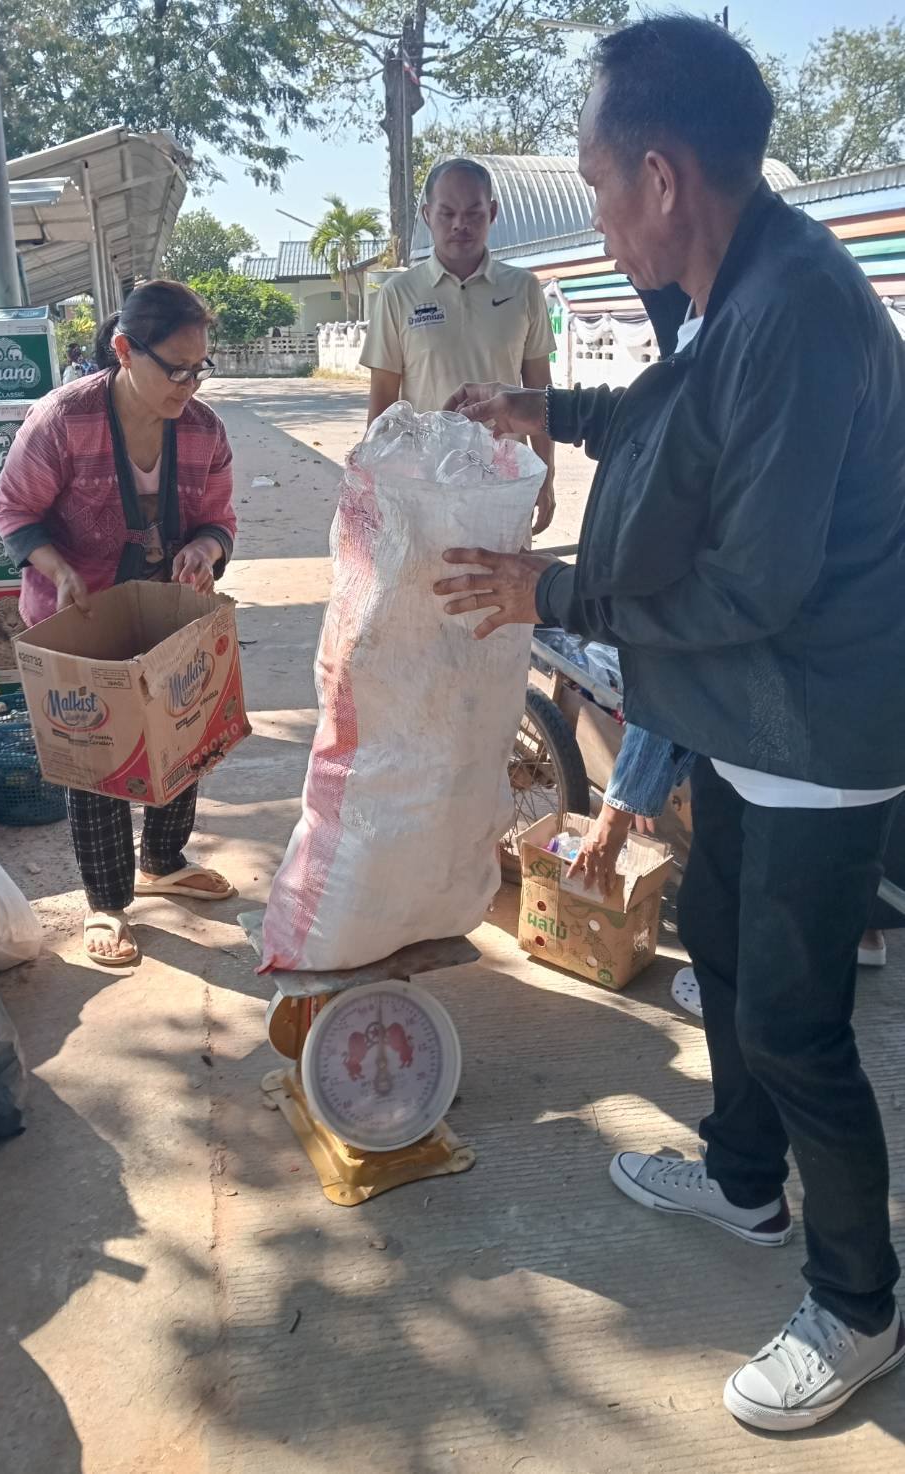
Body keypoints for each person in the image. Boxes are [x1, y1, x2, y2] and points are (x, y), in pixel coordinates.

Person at [434, 15, 905, 1432]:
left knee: (796, 1024)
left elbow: (751, 585)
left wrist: (549, 587)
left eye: (593, 183)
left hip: (815, 728)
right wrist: (544, 408)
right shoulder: (720, 280)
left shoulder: (794, 311)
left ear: (658, 176)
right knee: (723, 947)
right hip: (746, 716)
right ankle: (746, 1183)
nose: (592, 214)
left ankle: (860, 1300)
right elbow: (672, 416)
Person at [0, 280, 238, 969]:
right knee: (96, 755)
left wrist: (205, 550)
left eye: (200, 369)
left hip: (166, 607)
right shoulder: (64, 419)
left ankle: (164, 860)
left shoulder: (203, 430)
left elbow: (219, 519)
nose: (189, 385)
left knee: (182, 731)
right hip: (79, 614)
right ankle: (106, 901)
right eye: (176, 369)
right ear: (126, 351)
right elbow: (14, 510)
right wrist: (57, 568)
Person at [572, 724, 903, 1012]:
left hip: (763, 752)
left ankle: (733, 995)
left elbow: (673, 680)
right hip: (868, 754)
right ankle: (864, 935)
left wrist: (619, 810)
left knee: (718, 919)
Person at [359, 158, 558, 533]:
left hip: (503, 482)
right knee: (426, 572)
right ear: (427, 215)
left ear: (492, 213)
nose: (460, 225)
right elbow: (382, 406)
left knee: (505, 572)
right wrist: (372, 485)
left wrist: (545, 476)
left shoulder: (523, 289)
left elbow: (540, 393)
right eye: (447, 213)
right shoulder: (398, 295)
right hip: (424, 486)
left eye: (473, 213)